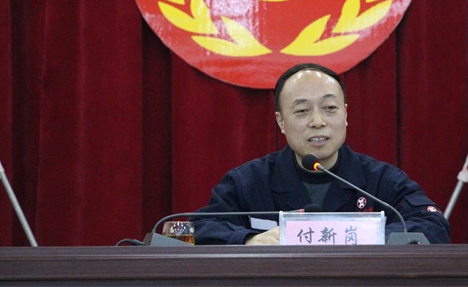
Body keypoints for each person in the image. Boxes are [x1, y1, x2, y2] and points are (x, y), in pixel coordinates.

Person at [192, 63, 450, 245]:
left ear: (345, 114)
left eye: (329, 108)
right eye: (302, 111)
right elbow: (195, 230)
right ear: (281, 122)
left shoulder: (382, 180)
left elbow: (434, 225)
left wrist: (367, 236)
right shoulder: (248, 182)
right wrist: (248, 239)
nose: (318, 121)